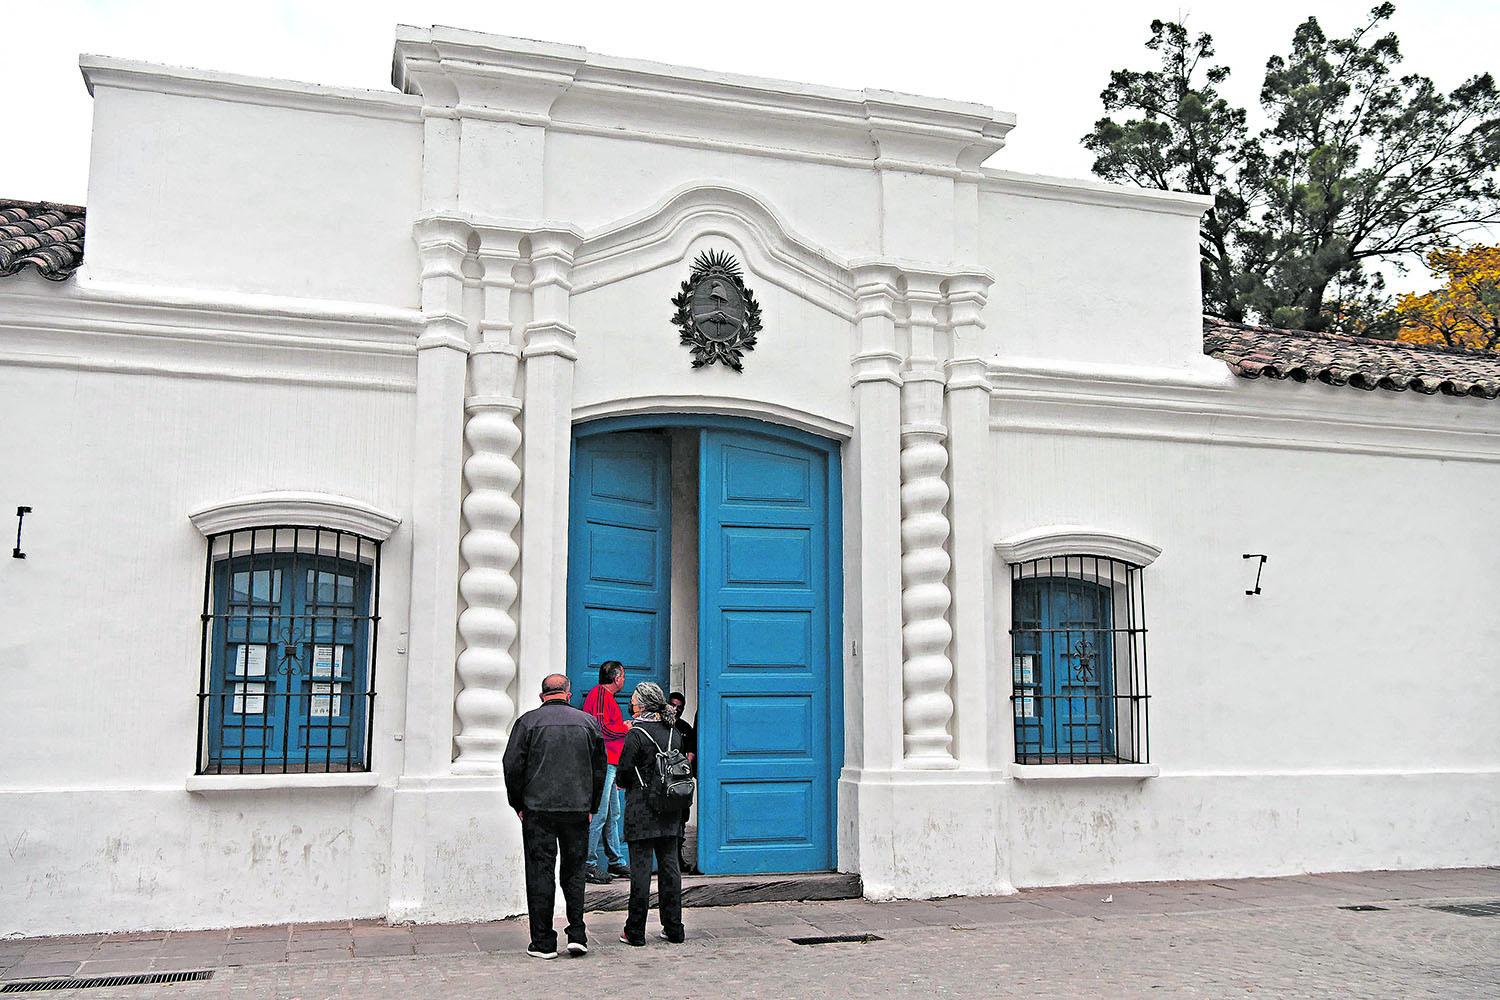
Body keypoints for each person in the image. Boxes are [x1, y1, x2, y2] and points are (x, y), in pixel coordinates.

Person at [502, 673, 606, 960]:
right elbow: (599, 769)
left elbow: (512, 766)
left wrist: (518, 804)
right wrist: (592, 806)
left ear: (542, 695)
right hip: (577, 809)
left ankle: (543, 942)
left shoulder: (527, 722)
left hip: (538, 810)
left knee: (540, 873)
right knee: (574, 872)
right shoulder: (588, 723)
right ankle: (577, 934)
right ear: (568, 694)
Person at [615, 682, 687, 946]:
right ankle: (674, 928)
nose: (631, 703)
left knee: (641, 872)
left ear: (642, 704)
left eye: (634, 699)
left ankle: (635, 931)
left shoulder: (636, 733)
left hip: (642, 809)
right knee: (670, 868)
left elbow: (624, 771)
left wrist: (623, 783)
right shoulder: (673, 731)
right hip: (670, 808)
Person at [582, 661, 631, 883]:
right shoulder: (601, 695)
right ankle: (588, 864)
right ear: (616, 678)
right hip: (604, 762)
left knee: (612, 814)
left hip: (611, 762)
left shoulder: (603, 696)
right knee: (601, 814)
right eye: (623, 676)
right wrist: (625, 728)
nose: (624, 680)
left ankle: (615, 860)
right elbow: (600, 728)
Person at [667, 690, 697, 874]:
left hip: (681, 783)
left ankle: (678, 858)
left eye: (680, 707)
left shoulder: (685, 728)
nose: (676, 710)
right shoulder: (661, 726)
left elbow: (691, 754)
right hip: (663, 782)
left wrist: (682, 769)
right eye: (673, 705)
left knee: (681, 821)